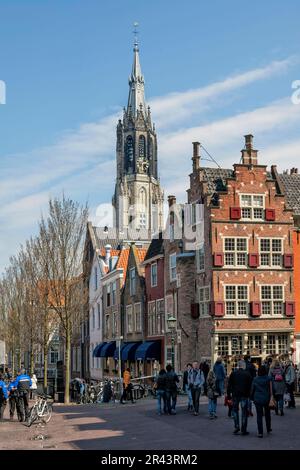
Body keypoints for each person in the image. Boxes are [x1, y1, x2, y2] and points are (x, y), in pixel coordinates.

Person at [227, 360, 252, 435]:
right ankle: (243, 429)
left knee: (235, 411)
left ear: (238, 366)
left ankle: (236, 426)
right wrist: (249, 395)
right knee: (244, 412)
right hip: (244, 395)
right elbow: (250, 386)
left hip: (235, 395)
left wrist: (228, 395)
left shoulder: (233, 373)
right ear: (243, 366)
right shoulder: (247, 374)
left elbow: (229, 385)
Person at [251, 366, 272, 438]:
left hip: (258, 398)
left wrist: (252, 397)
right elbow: (272, 388)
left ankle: (260, 432)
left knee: (259, 416)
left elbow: (252, 389)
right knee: (267, 414)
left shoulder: (255, 379)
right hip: (266, 398)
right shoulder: (268, 378)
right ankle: (268, 428)